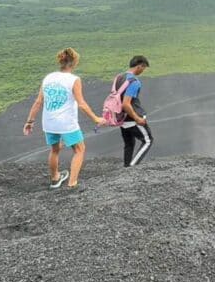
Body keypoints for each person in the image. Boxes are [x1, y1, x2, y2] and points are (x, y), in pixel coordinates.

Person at [23, 48, 104, 189]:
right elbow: (82, 104)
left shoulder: (48, 78)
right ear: (75, 63)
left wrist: (30, 121)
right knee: (79, 149)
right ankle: (72, 183)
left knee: (54, 149)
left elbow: (38, 102)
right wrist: (96, 119)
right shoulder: (74, 80)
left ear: (60, 61)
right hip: (66, 123)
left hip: (49, 122)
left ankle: (55, 178)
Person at [117, 55, 152, 167]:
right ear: (139, 66)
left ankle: (127, 166)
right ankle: (133, 166)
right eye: (144, 68)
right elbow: (126, 103)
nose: (143, 71)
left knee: (129, 144)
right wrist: (137, 118)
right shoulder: (134, 81)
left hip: (121, 117)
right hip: (132, 117)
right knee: (148, 140)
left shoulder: (119, 77)